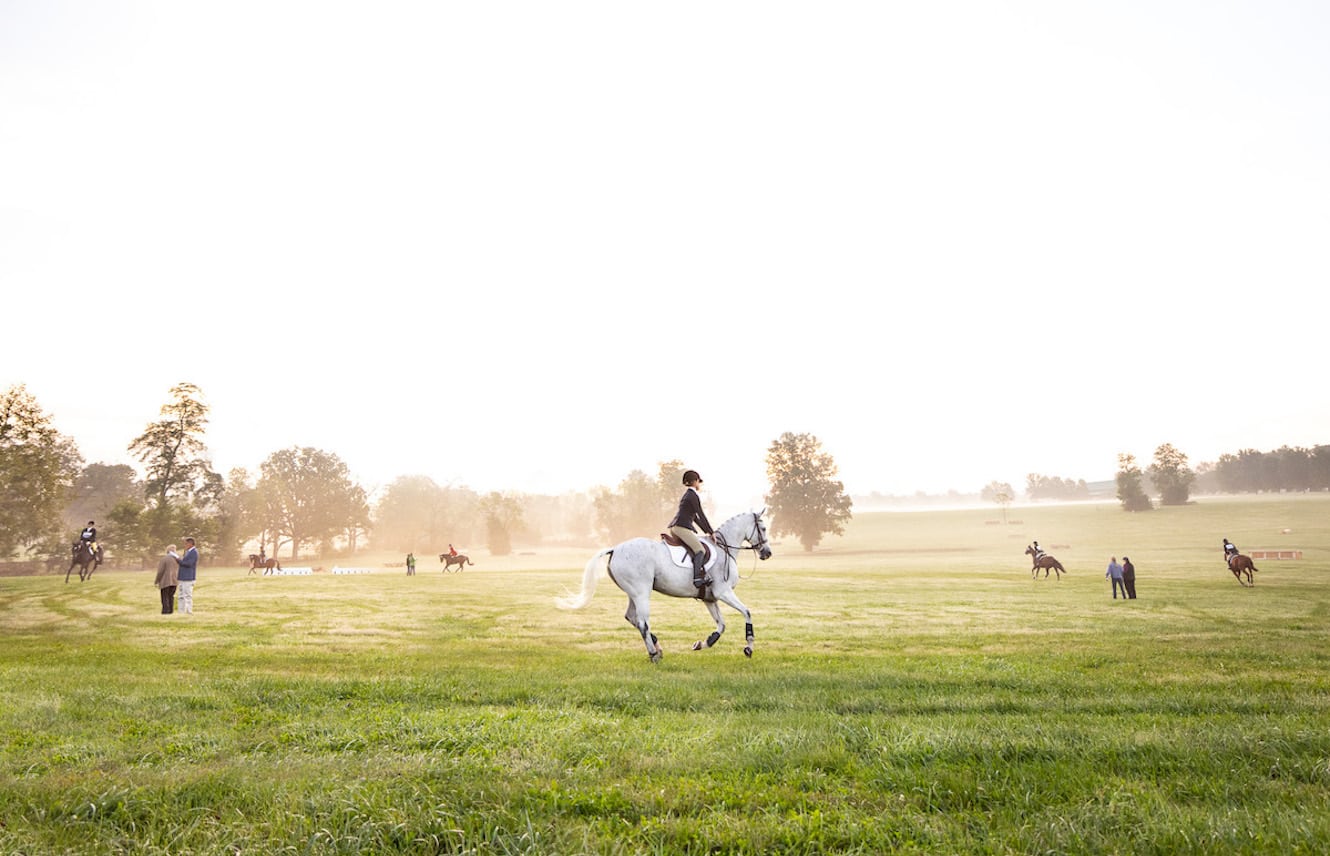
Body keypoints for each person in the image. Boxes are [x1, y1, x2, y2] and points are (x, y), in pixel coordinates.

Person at [668, 469, 715, 589]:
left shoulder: (687, 495)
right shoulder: (693, 495)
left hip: (676, 527)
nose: (699, 484)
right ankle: (697, 579)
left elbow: (695, 518)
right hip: (681, 527)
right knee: (700, 550)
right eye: (698, 482)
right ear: (694, 481)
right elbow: (701, 514)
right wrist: (711, 532)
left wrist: (707, 531)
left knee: (693, 548)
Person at [155, 544, 180, 614]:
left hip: (165, 581)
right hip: (175, 581)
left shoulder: (164, 559)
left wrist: (157, 580)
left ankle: (165, 611)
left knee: (164, 597)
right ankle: (171, 610)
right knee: (171, 596)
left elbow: (160, 571)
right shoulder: (177, 559)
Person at [177, 537, 199, 614]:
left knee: (187, 595)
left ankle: (189, 611)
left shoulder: (194, 552)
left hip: (188, 577)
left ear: (190, 543)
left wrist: (178, 560)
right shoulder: (187, 552)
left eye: (186, 543)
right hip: (182, 577)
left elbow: (189, 564)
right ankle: (181, 611)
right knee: (181, 595)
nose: (184, 545)